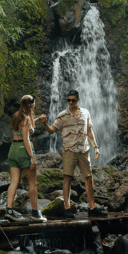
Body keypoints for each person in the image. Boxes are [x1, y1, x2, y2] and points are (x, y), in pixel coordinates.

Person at [40, 89, 107, 218]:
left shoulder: (85, 113)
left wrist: (96, 147)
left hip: (84, 150)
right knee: (67, 178)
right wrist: (44, 124)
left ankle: (92, 208)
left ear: (78, 100)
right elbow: (51, 131)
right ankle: (67, 208)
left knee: (88, 178)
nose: (70, 102)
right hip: (69, 150)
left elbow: (89, 131)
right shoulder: (62, 115)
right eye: (68, 100)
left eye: (73, 100)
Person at [6, 95, 47, 222]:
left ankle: (9, 210)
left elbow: (25, 127)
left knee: (14, 181)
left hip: (13, 149)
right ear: (32, 104)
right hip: (23, 150)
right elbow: (26, 139)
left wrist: (38, 118)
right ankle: (35, 213)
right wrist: (32, 158)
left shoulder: (16, 115)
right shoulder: (26, 118)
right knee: (32, 182)